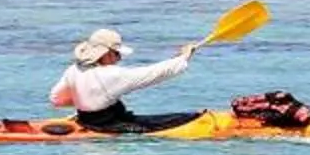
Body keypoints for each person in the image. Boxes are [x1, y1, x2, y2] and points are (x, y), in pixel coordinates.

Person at [50, 27, 202, 133]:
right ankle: (198, 118)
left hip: (86, 122)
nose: (120, 58)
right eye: (117, 54)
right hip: (109, 128)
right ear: (105, 54)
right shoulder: (112, 74)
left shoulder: (73, 69)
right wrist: (184, 57)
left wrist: (85, 102)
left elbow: (56, 99)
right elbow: (154, 74)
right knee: (186, 119)